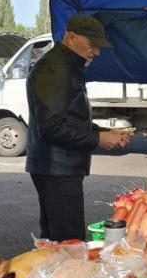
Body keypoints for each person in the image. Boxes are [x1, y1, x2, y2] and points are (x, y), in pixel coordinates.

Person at [26, 14, 129, 241]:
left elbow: (69, 117)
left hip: (59, 167)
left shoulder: (65, 65)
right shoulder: (54, 68)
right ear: (71, 37)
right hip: (56, 169)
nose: (97, 52)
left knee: (57, 239)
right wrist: (97, 138)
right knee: (68, 241)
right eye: (92, 45)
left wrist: (102, 131)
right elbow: (51, 126)